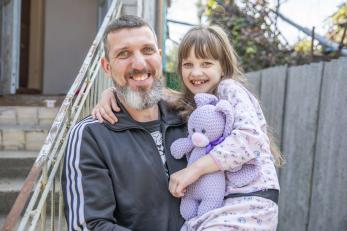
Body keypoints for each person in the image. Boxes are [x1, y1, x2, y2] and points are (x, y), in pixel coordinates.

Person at [93, 25, 283, 231]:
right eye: (188, 64)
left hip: (249, 202)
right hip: (219, 208)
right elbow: (154, 94)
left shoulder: (229, 89)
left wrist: (193, 171)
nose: (196, 72)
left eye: (206, 63)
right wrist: (112, 93)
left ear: (223, 67)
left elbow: (250, 139)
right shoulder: (194, 103)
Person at [61, 15, 188, 231]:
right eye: (124, 54)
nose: (139, 64)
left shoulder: (192, 118)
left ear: (159, 57)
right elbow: (90, 226)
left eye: (147, 50)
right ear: (107, 67)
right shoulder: (91, 135)